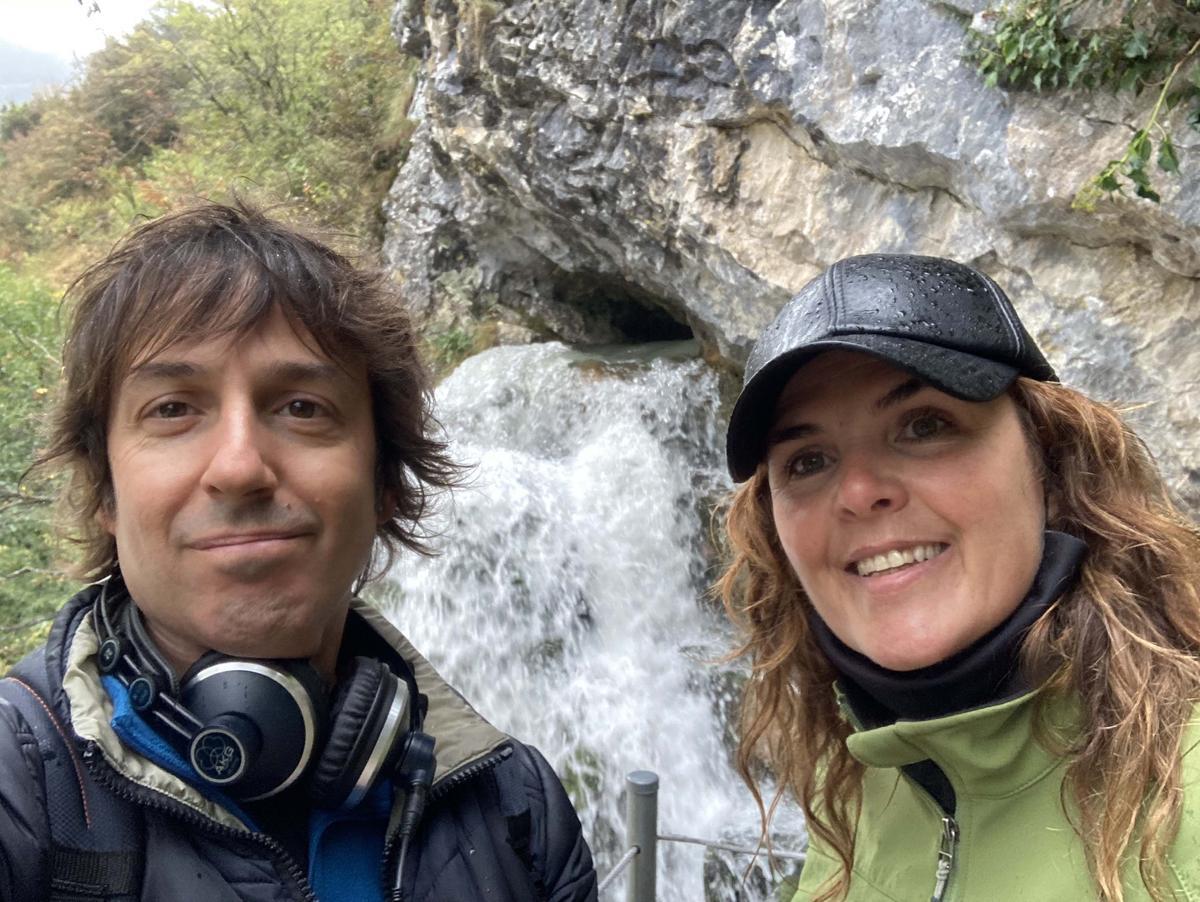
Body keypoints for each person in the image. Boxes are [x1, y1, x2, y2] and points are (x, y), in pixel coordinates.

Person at [0, 202, 598, 901]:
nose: (240, 467)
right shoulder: (22, 784)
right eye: (172, 409)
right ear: (105, 492)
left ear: (385, 484)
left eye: (303, 408)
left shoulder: (516, 808)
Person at [719, 254, 1200, 901]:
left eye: (924, 425)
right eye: (808, 460)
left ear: (1049, 460)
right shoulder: (854, 772)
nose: (859, 492)